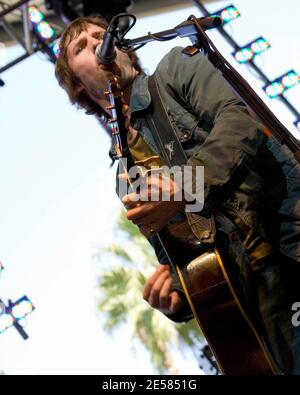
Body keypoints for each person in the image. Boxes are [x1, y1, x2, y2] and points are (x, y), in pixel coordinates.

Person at [55, 15, 300, 374]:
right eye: (82, 47)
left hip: (289, 238)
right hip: (260, 303)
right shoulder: (126, 176)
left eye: (100, 36)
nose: (97, 43)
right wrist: (178, 298)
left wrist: (185, 184)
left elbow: (238, 121)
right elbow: (182, 261)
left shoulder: (173, 69)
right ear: (78, 86)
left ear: (124, 51)